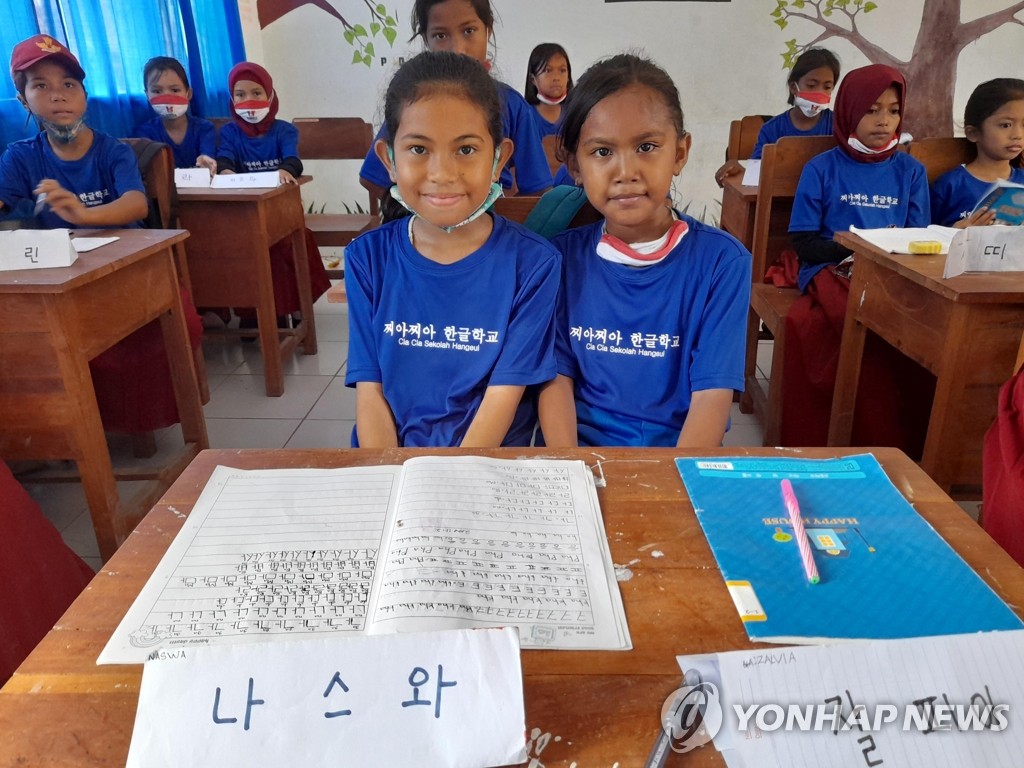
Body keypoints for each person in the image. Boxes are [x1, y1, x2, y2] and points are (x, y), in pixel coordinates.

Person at [344, 51, 560, 448]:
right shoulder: (365, 259)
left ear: (499, 159)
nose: (442, 174)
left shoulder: (535, 264)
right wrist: (390, 476)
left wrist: (447, 483)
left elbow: (503, 396)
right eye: (418, 149)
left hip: (484, 467)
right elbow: (370, 392)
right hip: (387, 465)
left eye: (465, 149)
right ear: (388, 160)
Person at [537, 54, 751, 448]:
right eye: (602, 152)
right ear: (575, 166)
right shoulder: (560, 260)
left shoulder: (723, 263)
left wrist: (668, 486)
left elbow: (711, 396)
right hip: (580, 456)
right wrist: (567, 468)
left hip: (680, 460)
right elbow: (557, 379)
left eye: (647, 146)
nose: (626, 171)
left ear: (680, 154)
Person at [0, 34, 202, 433]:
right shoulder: (21, 157)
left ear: (84, 95)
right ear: (23, 99)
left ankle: (115, 422)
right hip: (57, 282)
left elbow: (136, 204)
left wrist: (82, 212)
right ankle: (58, 429)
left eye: (68, 85)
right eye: (41, 85)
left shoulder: (114, 151)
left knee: (160, 323)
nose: (58, 96)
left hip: (125, 273)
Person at [782, 63, 933, 449]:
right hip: (831, 268)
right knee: (837, 323)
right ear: (849, 109)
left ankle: (903, 439)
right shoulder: (822, 168)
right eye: (871, 109)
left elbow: (918, 240)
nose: (885, 121)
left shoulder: (911, 172)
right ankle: (845, 431)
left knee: (920, 331)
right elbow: (803, 241)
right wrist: (855, 246)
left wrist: (881, 251)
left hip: (891, 272)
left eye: (893, 110)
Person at [358, 0, 553, 202]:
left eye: (469, 31)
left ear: (488, 30)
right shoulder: (411, 104)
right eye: (440, 35)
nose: (458, 49)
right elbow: (373, 178)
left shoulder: (512, 105)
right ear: (426, 38)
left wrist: (501, 220)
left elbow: (536, 188)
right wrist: (417, 209)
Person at [217, 61, 330, 324]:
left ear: (270, 94)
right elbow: (225, 159)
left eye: (256, 93)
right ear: (231, 99)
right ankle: (252, 311)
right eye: (240, 95)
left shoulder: (284, 130)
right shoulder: (230, 133)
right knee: (242, 249)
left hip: (282, 211)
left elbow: (293, 160)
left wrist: (284, 170)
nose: (249, 101)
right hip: (245, 216)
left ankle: (291, 306)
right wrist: (224, 172)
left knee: (289, 244)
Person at [715, 48, 839, 187]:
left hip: (826, 205)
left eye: (827, 87)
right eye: (811, 85)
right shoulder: (771, 129)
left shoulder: (838, 125)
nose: (819, 92)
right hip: (778, 205)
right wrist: (742, 169)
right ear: (793, 87)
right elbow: (757, 173)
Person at [930, 78, 1024, 227]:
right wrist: (957, 231)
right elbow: (924, 237)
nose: (1018, 134)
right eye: (1006, 125)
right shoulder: (950, 185)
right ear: (973, 133)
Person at [134, 56, 217, 173]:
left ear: (188, 94)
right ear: (147, 95)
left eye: (175, 90)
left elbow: (208, 159)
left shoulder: (204, 128)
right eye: (157, 91)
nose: (167, 98)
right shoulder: (144, 133)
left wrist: (206, 161)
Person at [524, 42, 572, 137]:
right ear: (533, 79)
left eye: (562, 70)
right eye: (548, 70)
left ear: (568, 77)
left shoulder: (574, 115)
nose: (556, 78)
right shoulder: (525, 116)